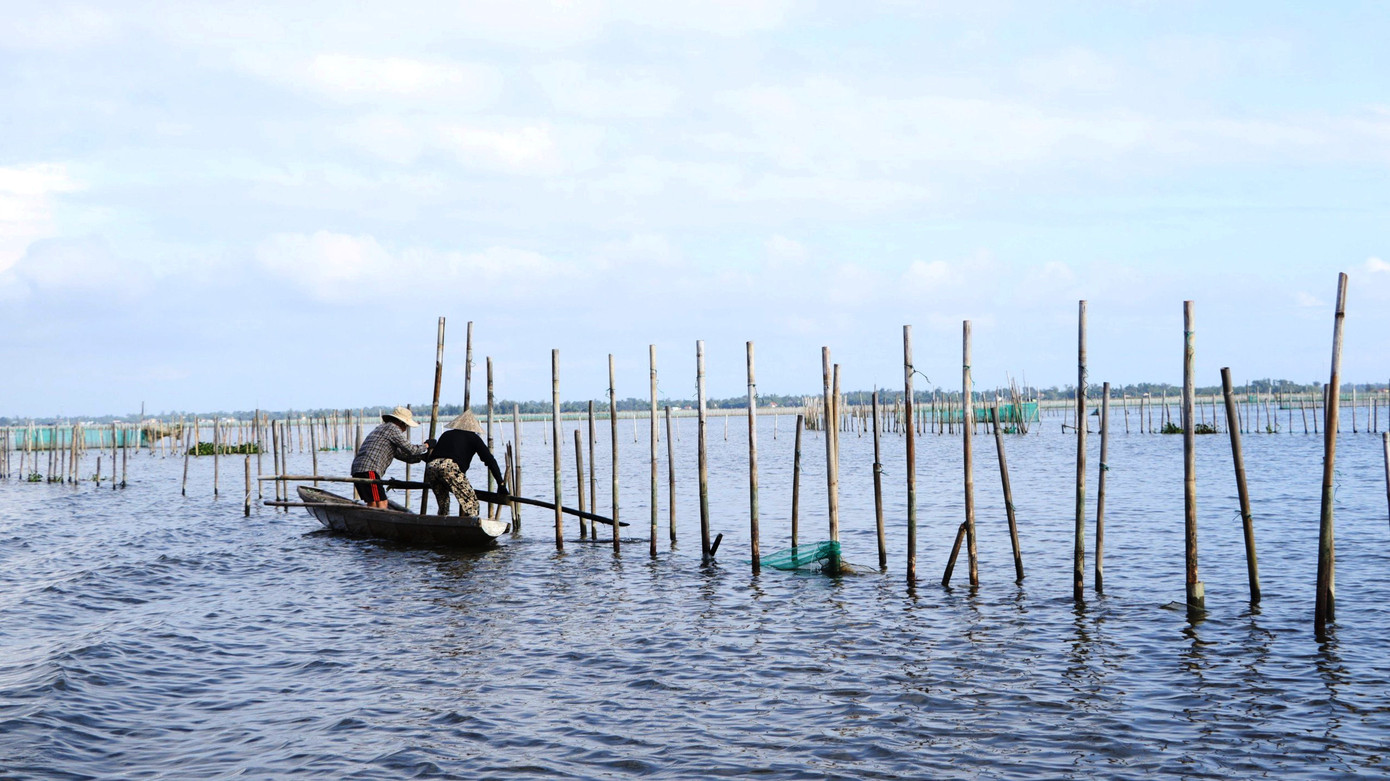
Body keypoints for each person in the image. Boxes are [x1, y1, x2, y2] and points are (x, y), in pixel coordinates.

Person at [424, 411, 508, 517]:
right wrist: (501, 484)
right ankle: (471, 529)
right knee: (472, 503)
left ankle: (441, 524)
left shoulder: (446, 434)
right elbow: (490, 461)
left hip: (431, 467)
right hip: (448, 467)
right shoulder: (473, 438)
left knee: (443, 504)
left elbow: (432, 456)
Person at [351, 406, 433, 509]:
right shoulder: (392, 428)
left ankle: (372, 523)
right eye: (406, 426)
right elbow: (412, 449)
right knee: (382, 503)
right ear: (401, 422)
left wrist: (421, 458)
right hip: (369, 469)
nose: (405, 429)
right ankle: (380, 524)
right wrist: (426, 445)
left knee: (372, 503)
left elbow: (402, 455)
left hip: (359, 468)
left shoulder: (382, 428)